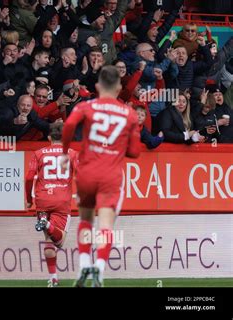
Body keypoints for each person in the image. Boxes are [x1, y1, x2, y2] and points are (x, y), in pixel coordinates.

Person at [61, 66, 141, 287]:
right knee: (105, 225)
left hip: (86, 173)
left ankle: (84, 263)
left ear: (97, 86)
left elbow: (68, 125)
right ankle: (100, 269)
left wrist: (64, 153)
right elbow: (135, 152)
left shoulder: (87, 106)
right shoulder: (130, 114)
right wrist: (117, 146)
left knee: (86, 219)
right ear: (118, 88)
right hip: (110, 176)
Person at [25, 122, 77, 286]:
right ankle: (47, 224)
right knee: (59, 242)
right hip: (61, 199)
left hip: (42, 199)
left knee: (48, 241)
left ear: (49, 138)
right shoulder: (72, 153)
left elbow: (28, 178)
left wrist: (28, 199)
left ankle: (53, 277)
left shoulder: (39, 153)